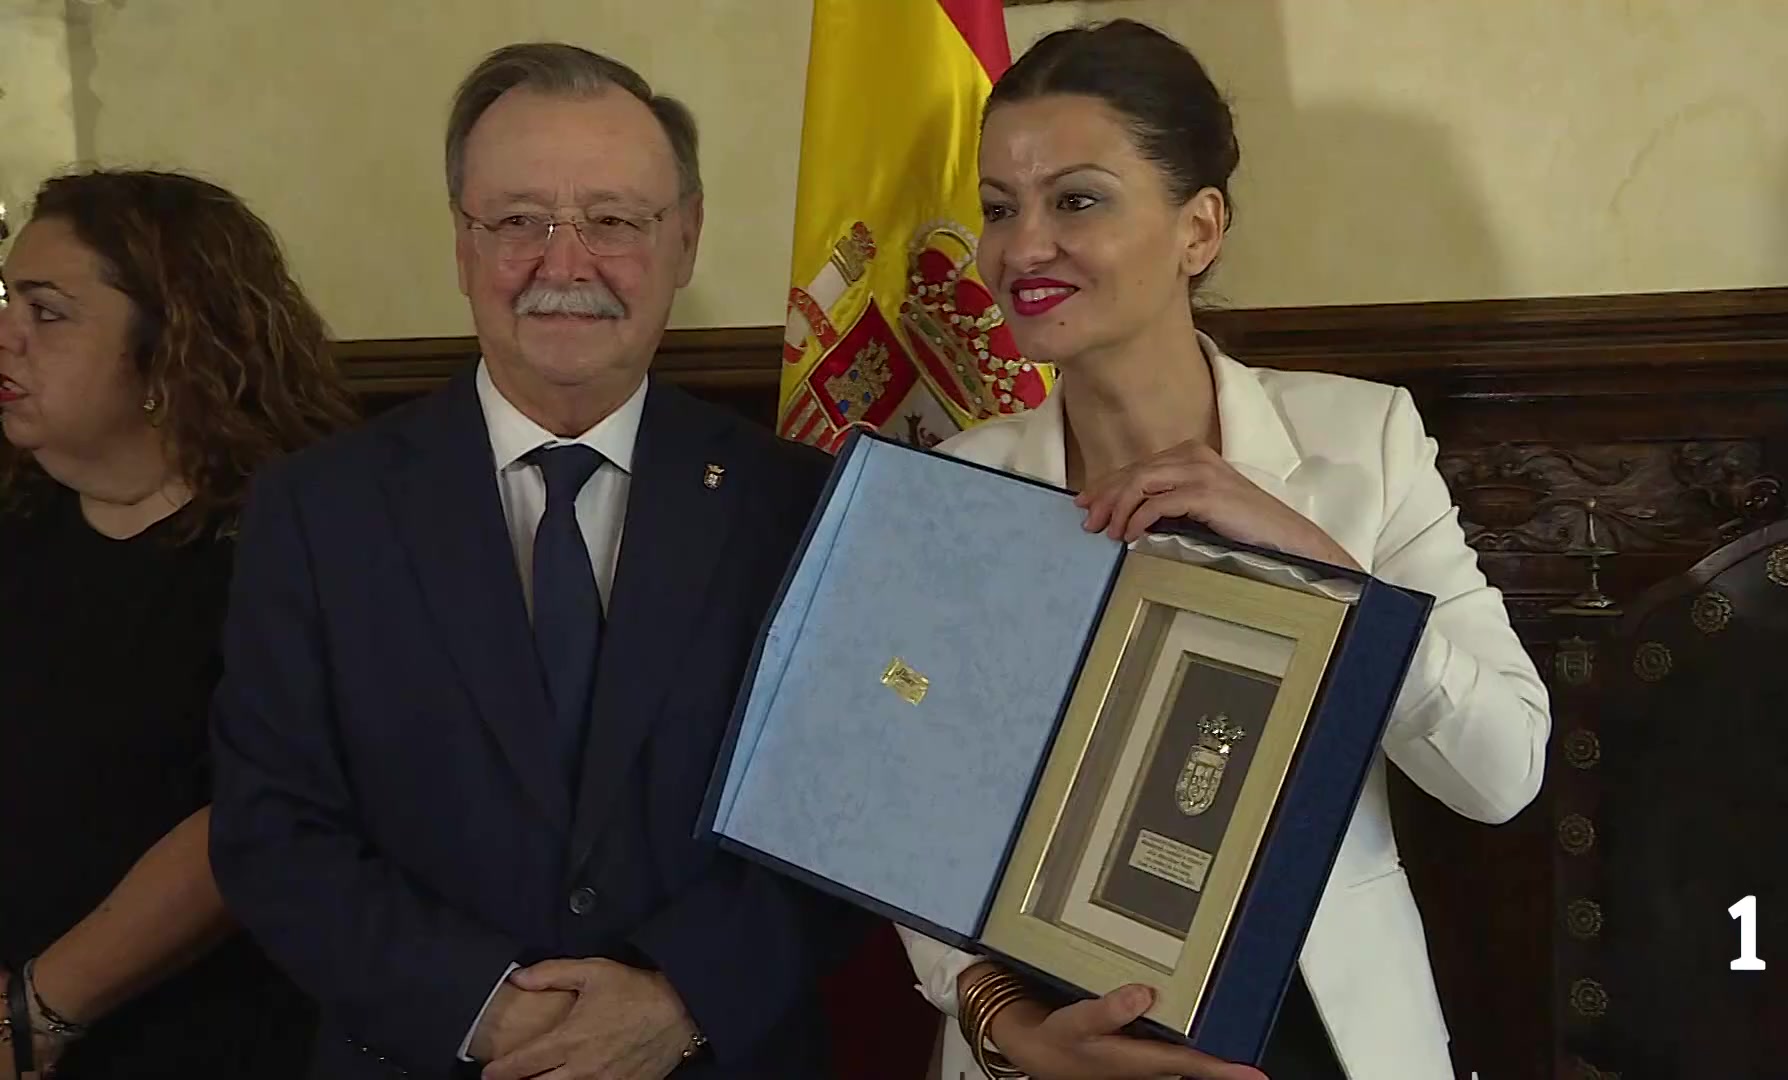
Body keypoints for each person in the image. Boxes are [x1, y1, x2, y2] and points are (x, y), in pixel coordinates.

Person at [898, 20, 1551, 1080]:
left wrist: (1326, 572)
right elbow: (907, 817)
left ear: (1198, 229)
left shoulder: (1365, 444)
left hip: (1322, 1039)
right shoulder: (952, 492)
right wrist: (1000, 1022)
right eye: (1000, 207)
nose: (1022, 249)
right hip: (1053, 1047)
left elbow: (1503, 773)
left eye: (1077, 201)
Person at [206, 42, 866, 1080]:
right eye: (519, 221)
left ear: (685, 239)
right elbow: (271, 830)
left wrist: (680, 998)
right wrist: (484, 1012)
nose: (564, 265)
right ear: (462, 244)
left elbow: (845, 812)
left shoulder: (802, 506)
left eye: (614, 221)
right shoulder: (318, 511)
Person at [0, 168, 358, 1078]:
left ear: (170, 346)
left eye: (46, 313)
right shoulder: (19, 522)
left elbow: (250, 817)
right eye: (6, 301)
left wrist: (36, 1011)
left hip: (205, 1033)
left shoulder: (294, 541)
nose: (6, 336)